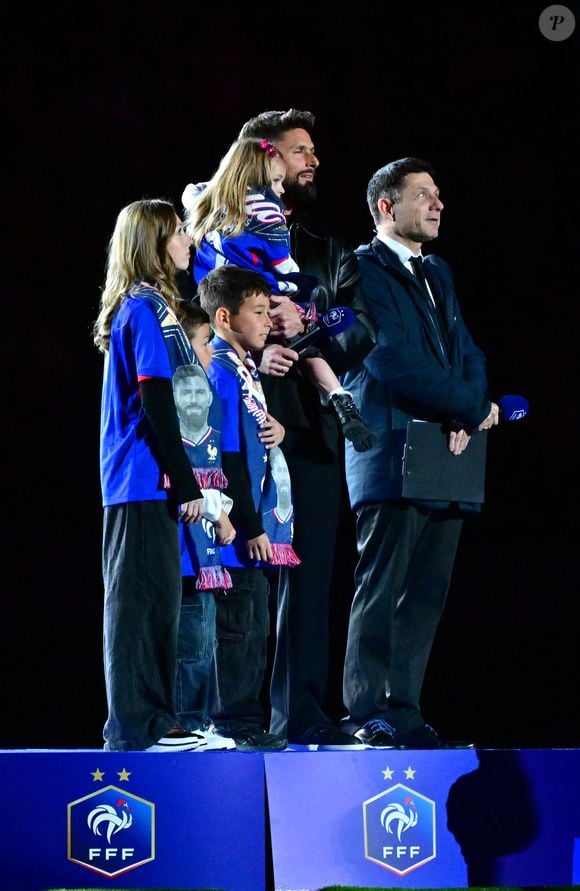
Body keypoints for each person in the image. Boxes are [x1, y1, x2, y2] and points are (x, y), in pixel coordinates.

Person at [339, 157, 499, 749]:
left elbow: (468, 351)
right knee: (383, 588)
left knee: (427, 593)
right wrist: (465, 407)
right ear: (387, 206)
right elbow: (389, 358)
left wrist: (472, 407)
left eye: (439, 195)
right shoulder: (360, 271)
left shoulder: (438, 273)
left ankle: (403, 709)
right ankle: (364, 712)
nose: (438, 204)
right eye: (424, 194)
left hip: (445, 450)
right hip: (391, 448)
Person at [236, 109, 377, 749]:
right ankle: (231, 717)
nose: (312, 160)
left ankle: (302, 717)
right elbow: (201, 317)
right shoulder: (224, 238)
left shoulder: (327, 251)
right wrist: (255, 343)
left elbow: (360, 328)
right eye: (299, 150)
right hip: (243, 426)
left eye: (313, 149)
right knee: (236, 574)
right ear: (266, 159)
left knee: (310, 575)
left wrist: (311, 325)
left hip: (315, 435)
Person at [93, 198, 235, 752]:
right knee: (138, 607)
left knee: (157, 606)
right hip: (140, 481)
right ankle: (136, 727)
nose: (188, 241)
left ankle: (154, 722)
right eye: (178, 233)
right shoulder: (144, 309)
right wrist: (186, 482)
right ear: (154, 243)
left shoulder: (157, 307)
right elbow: (156, 400)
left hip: (153, 482)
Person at [182, 136, 373, 452]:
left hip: (296, 418)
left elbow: (194, 192)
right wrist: (293, 296)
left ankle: (337, 395)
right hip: (234, 391)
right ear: (255, 180)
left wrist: (299, 324)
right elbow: (282, 263)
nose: (280, 189)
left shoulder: (205, 214)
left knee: (305, 345)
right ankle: (339, 394)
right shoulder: (265, 214)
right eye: (275, 181)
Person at [198, 265, 301, 751]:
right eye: (257, 312)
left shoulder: (244, 370)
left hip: (252, 529)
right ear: (224, 317)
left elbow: (253, 437)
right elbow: (229, 454)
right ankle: (233, 721)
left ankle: (244, 718)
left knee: (254, 623)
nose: (267, 322)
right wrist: (251, 526)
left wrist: (276, 430)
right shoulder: (219, 368)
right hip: (239, 534)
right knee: (238, 628)